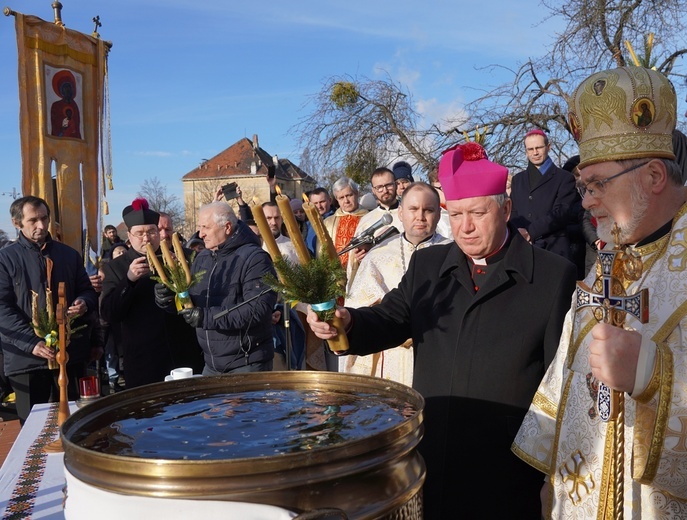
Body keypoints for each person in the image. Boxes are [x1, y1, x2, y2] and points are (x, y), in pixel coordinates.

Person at [307, 142, 577, 519]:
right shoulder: (428, 265)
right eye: (458, 213)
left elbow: (560, 380)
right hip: (433, 456)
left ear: (507, 209)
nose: (464, 227)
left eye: (479, 213)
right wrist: (349, 321)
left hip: (507, 468)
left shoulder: (552, 276)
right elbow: (389, 319)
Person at [513, 66, 687, 519]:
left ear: (653, 175)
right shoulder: (602, 271)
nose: (586, 201)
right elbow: (564, 381)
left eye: (597, 185)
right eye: (581, 186)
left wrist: (654, 374)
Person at [0, 196, 98, 423]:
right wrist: (31, 342)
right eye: (33, 220)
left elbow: (87, 290)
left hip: (69, 355)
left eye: (44, 218)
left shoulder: (69, 255)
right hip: (26, 360)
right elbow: (2, 309)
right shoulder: (5, 260)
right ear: (17, 223)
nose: (41, 226)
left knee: (75, 421)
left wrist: (84, 302)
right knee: (35, 427)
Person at [342, 182, 450, 386]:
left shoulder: (453, 254)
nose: (420, 216)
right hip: (390, 353)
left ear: (438, 214)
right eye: (413, 209)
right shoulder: (378, 256)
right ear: (400, 213)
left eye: (428, 210)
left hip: (437, 350)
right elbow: (359, 309)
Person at [161, 201, 277, 375]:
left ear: (227, 227)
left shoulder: (255, 258)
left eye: (206, 227)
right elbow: (192, 302)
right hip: (211, 363)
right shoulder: (202, 258)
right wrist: (170, 299)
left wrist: (206, 317)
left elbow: (257, 308)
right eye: (200, 227)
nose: (201, 234)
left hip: (246, 362)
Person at [101, 198, 204, 388]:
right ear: (129, 237)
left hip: (184, 354)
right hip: (144, 361)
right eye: (139, 234)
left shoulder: (183, 257)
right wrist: (129, 280)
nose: (146, 238)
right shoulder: (115, 268)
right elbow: (109, 313)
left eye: (151, 232)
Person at [509, 129, 581, 270]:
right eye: (530, 149)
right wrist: (520, 232)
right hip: (523, 249)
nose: (535, 153)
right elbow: (513, 210)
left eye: (539, 148)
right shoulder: (518, 179)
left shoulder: (564, 178)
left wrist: (531, 232)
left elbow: (561, 212)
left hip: (554, 249)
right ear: (526, 151)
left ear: (548, 147)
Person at [348, 168, 403, 289]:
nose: (385, 190)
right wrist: (358, 258)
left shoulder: (409, 213)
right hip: (378, 282)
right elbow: (355, 259)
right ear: (373, 190)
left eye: (388, 185)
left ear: (395, 184)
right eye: (379, 187)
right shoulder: (367, 220)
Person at [321, 177, 368, 271]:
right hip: (334, 276)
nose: (346, 201)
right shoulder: (328, 222)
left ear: (356, 194)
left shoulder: (369, 218)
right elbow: (322, 250)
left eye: (349, 195)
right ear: (336, 199)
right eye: (341, 198)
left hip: (361, 272)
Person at [304, 187, 334, 256]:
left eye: (322, 202)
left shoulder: (336, 220)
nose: (319, 206)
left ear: (329, 200)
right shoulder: (307, 225)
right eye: (315, 203)